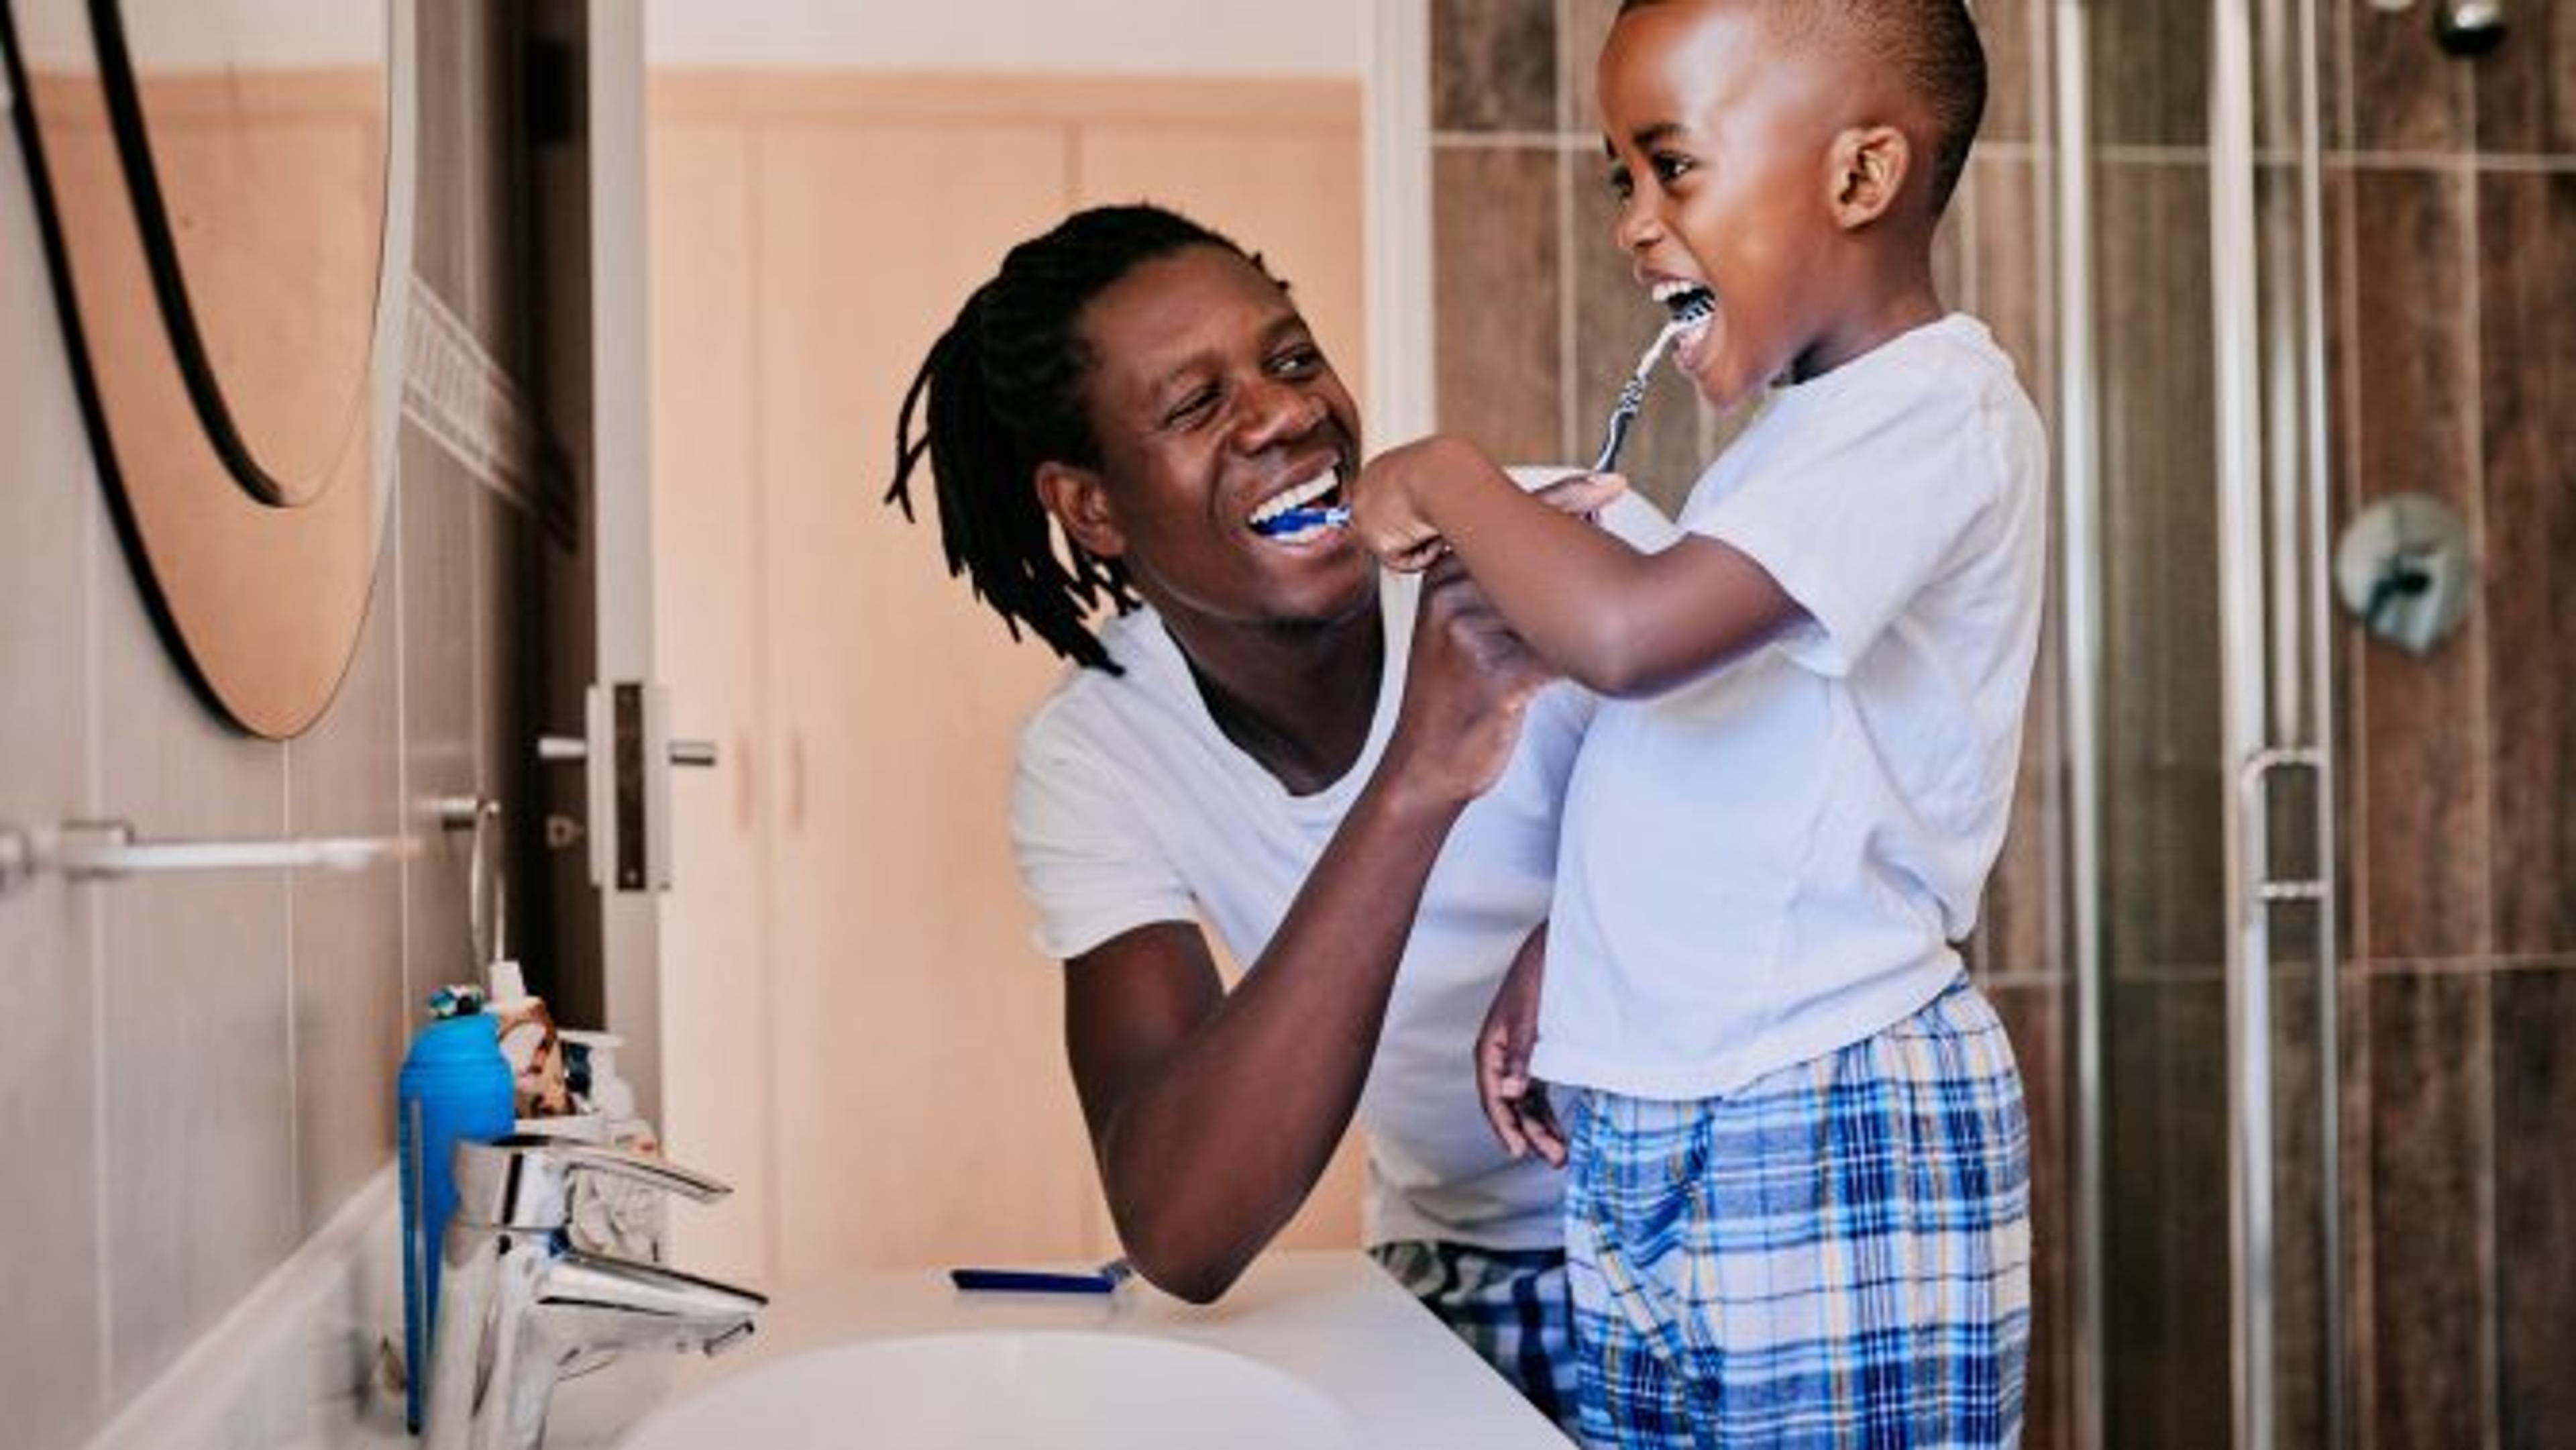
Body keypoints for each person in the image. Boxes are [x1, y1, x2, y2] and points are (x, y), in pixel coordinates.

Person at [1348, 1, 2043, 1443]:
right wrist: (1576, 949)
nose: (1636, 224)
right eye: (1623, 179)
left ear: (1860, 179)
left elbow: (1630, 642)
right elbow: (1732, 757)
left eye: (1674, 167)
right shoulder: (1790, 448)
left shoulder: (1937, 408)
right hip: (1674, 1106)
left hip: (1821, 1098)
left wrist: (1450, 477)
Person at [883, 202, 1635, 1430]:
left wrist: (1599, 928)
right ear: (1095, 508)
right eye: (1194, 406)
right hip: (1464, 1270)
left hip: (1719, 1230)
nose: (1285, 412)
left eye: (1291, 359)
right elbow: (1184, 1223)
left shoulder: (1549, 547)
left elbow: (1809, 840)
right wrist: (1420, 773)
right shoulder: (1101, 751)